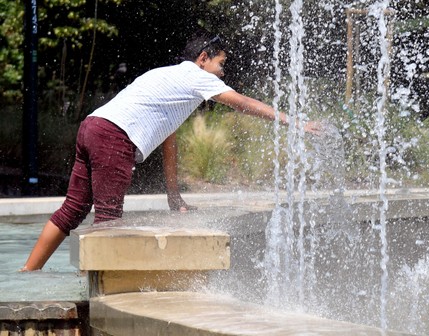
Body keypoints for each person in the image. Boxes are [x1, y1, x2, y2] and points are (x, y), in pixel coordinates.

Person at [21, 33, 321, 271]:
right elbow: (241, 102)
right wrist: (296, 122)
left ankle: (28, 272)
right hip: (114, 137)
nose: (222, 71)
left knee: (73, 209)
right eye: (220, 64)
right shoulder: (197, 78)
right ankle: (96, 298)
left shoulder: (168, 78)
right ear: (203, 59)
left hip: (93, 126)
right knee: (109, 220)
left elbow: (168, 140)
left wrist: (173, 194)